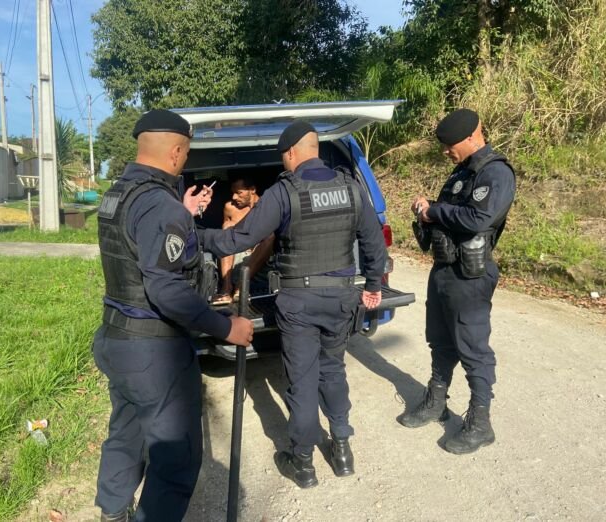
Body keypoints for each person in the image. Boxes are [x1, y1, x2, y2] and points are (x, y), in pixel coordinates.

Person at [200, 120, 387, 488]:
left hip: (300, 302)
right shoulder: (350, 187)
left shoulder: (285, 193)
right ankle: (342, 450)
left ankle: (303, 462)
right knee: (333, 370)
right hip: (341, 299)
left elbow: (237, 240)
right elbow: (373, 243)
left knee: (302, 380)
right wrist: (373, 285)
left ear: (289, 153)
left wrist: (192, 234)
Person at [92, 109, 254, 522]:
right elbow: (165, 288)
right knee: (176, 457)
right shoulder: (160, 205)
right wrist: (226, 327)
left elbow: (162, 242)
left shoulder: (119, 194)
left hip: (116, 339)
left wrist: (216, 231)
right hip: (154, 351)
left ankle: (112, 512)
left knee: (127, 433)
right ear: (177, 151)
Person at [402, 108, 516, 455]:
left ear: (471, 137)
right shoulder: (461, 172)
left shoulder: (495, 172)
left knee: (473, 348)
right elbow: (451, 213)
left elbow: (479, 218)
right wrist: (427, 208)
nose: (445, 151)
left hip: (470, 276)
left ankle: (480, 423)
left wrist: (435, 211)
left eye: (450, 145)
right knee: (439, 341)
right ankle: (436, 401)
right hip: (444, 270)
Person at [213, 173, 274, 304]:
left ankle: (241, 287)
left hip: (258, 256)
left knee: (270, 236)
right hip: (235, 253)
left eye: (239, 193)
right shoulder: (230, 208)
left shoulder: (267, 208)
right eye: (233, 193)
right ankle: (226, 287)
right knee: (227, 227)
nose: (234, 197)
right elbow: (225, 236)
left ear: (252, 190)